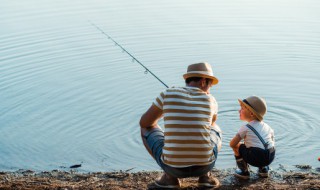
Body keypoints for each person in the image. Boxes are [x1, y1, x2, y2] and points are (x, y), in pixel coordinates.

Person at [139, 62, 222, 188]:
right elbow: (210, 124)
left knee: (146, 128)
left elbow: (144, 123)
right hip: (204, 165)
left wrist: (166, 111)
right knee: (216, 129)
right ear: (203, 82)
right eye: (210, 85)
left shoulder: (167, 94)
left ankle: (169, 178)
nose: (210, 90)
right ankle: (206, 177)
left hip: (173, 168)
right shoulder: (211, 100)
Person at [230, 96, 275, 179]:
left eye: (242, 108)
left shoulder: (246, 128)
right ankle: (264, 169)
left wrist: (243, 145)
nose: (239, 110)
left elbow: (232, 144)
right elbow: (271, 140)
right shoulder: (268, 127)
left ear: (251, 113)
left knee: (237, 146)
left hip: (256, 157)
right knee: (262, 145)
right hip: (271, 156)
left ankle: (244, 172)